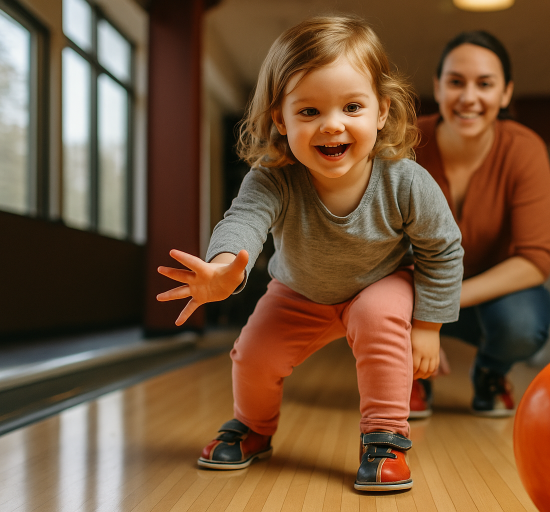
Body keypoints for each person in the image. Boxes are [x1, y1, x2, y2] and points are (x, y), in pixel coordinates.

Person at [156, 15, 463, 492]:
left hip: (381, 282)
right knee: (253, 355)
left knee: (379, 319)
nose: (332, 125)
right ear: (280, 118)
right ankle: (253, 427)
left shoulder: (405, 180)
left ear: (382, 111)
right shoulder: (273, 177)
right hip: (298, 291)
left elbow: (442, 249)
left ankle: (384, 438)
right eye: (309, 112)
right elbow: (243, 222)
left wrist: (428, 327)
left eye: (352, 107)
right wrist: (222, 268)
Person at [410, 30, 550, 418]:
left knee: (523, 323)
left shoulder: (525, 149)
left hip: (493, 295)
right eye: (456, 82)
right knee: (376, 297)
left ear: (506, 93)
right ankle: (409, 375)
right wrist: (416, 312)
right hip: (412, 285)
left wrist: (440, 306)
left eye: (485, 84)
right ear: (437, 88)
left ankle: (491, 372)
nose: (469, 97)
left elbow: (534, 260)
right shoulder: (404, 144)